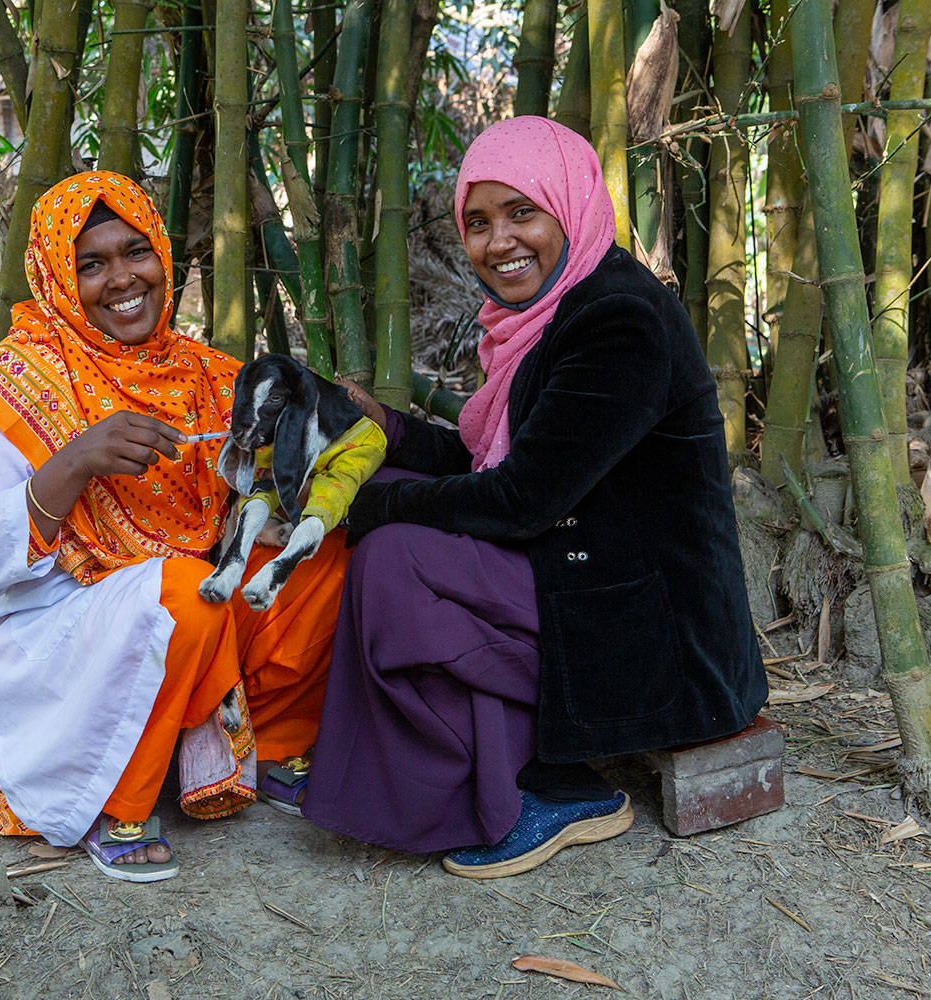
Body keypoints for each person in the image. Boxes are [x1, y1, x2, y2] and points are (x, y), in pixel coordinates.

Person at [299, 117, 768, 878]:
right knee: (376, 475)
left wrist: (365, 513)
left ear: (570, 205)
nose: (499, 242)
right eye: (478, 223)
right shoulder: (551, 312)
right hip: (584, 566)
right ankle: (478, 750)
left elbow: (521, 500)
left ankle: (534, 790)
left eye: (523, 212)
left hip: (660, 637)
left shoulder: (620, 320)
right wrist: (387, 431)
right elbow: (496, 458)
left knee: (392, 555)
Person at [0, 171, 348, 883]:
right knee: (185, 593)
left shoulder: (204, 374)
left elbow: (257, 499)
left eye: (135, 252)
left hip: (185, 608)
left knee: (321, 548)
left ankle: (271, 751)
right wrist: (71, 465)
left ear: (162, 253)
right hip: (59, 633)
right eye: (90, 264)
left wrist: (313, 444)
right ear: (57, 278)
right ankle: (118, 803)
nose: (121, 278)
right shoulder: (7, 388)